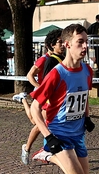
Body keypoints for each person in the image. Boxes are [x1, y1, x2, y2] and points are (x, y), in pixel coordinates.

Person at [29, 24, 94, 174]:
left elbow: (83, 95)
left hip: (78, 134)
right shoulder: (56, 74)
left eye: (86, 41)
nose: (85, 46)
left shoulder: (87, 70)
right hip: (58, 134)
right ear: (67, 45)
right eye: (80, 42)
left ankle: (46, 155)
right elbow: (35, 109)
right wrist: (48, 136)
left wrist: (87, 117)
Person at [12, 28, 62, 165]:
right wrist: (40, 88)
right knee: (37, 123)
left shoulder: (61, 58)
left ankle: (46, 149)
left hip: (50, 94)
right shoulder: (44, 60)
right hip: (42, 92)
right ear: (52, 44)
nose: (63, 45)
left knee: (42, 123)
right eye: (60, 42)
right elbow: (29, 75)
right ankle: (27, 148)